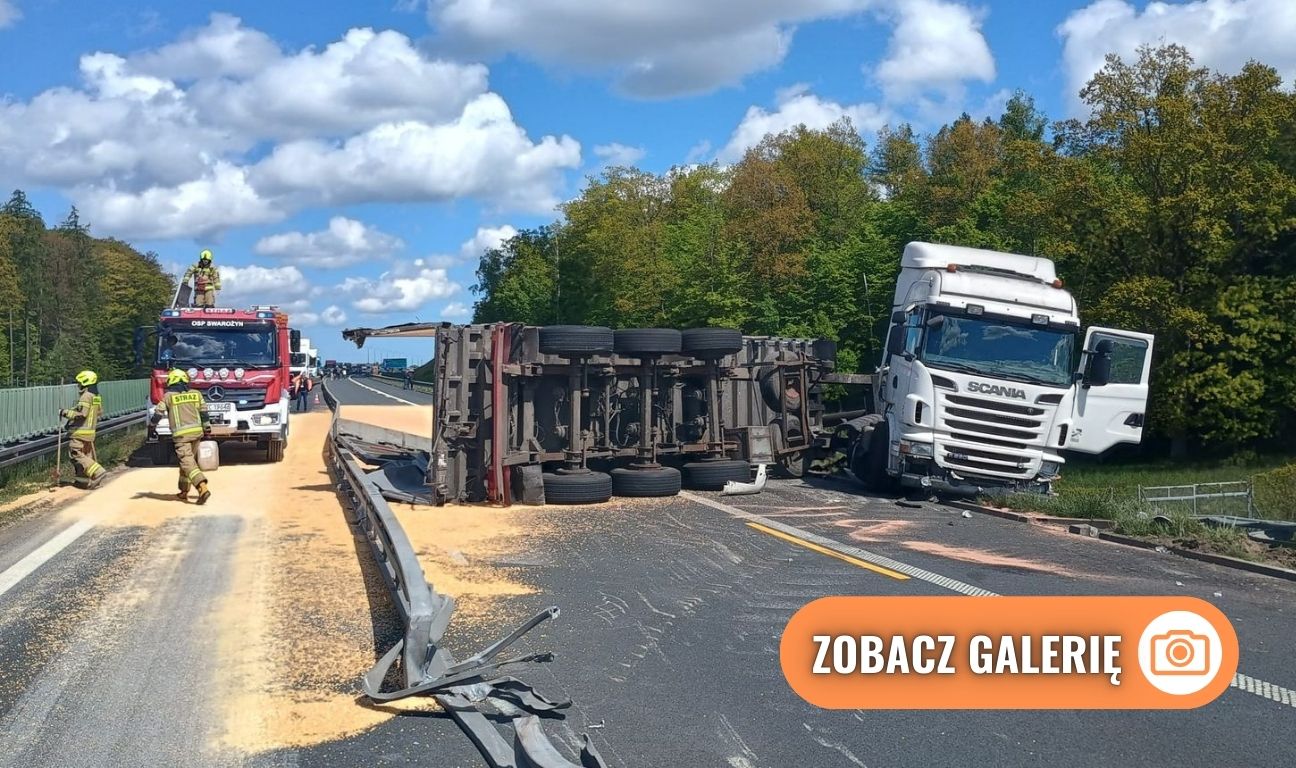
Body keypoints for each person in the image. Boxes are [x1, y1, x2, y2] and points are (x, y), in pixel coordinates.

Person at [150, 369, 212, 504]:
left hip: (181, 437)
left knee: (187, 462)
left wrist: (151, 427)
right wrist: (207, 428)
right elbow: (204, 413)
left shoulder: (168, 396)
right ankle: (184, 491)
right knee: (187, 463)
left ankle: (202, 486)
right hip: (196, 434)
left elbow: (157, 414)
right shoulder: (196, 394)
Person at [61, 369, 106, 489]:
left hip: (80, 433)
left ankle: (98, 472)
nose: (78, 385)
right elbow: (99, 412)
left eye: (79, 383)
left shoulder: (85, 396)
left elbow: (82, 414)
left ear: (84, 383)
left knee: (75, 454)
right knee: (86, 456)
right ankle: (82, 481)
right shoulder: (96, 396)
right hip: (90, 432)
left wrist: (65, 412)